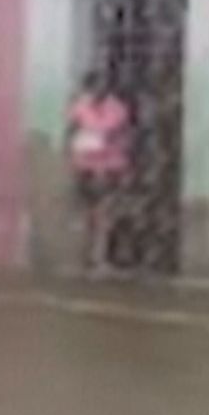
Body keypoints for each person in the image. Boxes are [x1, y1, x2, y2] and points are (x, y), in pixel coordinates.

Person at [67, 71, 131, 274]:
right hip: (85, 166)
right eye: (93, 88)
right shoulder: (80, 107)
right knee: (86, 213)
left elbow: (121, 134)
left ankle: (100, 258)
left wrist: (106, 140)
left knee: (104, 214)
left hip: (110, 166)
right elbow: (72, 132)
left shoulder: (117, 109)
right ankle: (85, 257)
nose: (97, 92)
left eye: (100, 87)